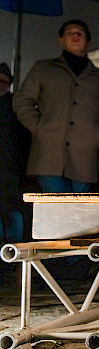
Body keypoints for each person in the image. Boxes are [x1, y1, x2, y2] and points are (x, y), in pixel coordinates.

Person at [13, 19, 99, 193]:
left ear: (88, 42)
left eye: (80, 33)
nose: (75, 36)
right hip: (48, 156)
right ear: (61, 40)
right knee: (57, 204)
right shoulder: (43, 69)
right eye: (70, 32)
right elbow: (22, 100)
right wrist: (38, 127)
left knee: (77, 207)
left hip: (85, 157)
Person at [0, 63, 29, 243]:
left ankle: (13, 251)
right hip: (11, 170)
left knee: (12, 212)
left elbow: (25, 140)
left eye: (3, 81)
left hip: (11, 171)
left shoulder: (16, 107)